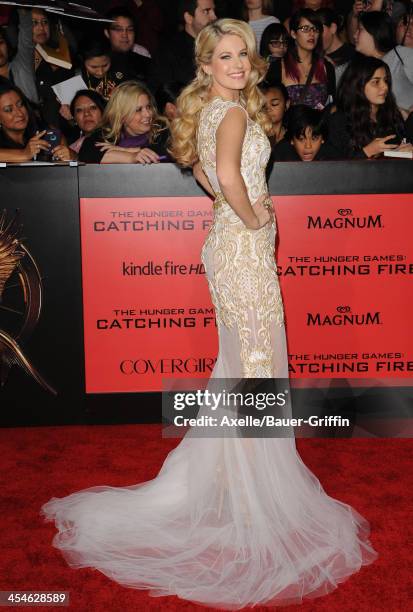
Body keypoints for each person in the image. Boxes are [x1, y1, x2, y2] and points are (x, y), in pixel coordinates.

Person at [41, 18, 378, 609]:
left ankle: (233, 483)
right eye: (226, 56)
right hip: (241, 251)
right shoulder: (236, 115)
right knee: (255, 366)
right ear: (205, 65)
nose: (240, 65)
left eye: (244, 55)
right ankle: (251, 501)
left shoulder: (216, 113)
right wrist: (252, 218)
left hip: (230, 247)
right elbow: (223, 174)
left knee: (244, 364)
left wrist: (234, 211)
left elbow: (204, 173)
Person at [327, 54, 410, 158]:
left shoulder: (392, 115)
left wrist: (403, 152)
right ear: (358, 85)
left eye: (386, 80)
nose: (385, 87)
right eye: (376, 82)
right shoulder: (340, 120)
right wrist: (367, 151)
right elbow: (335, 167)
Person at [78, 80, 169, 163]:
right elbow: (86, 154)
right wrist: (131, 157)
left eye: (148, 107)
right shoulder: (109, 134)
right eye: (138, 110)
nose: (148, 114)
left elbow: (171, 152)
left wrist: (123, 150)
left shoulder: (161, 128)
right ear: (121, 115)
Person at [267, 9, 336, 109]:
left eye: (315, 29)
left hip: (320, 124)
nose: (311, 33)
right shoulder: (277, 67)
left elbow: (333, 106)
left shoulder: (326, 67)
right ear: (293, 34)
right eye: (305, 29)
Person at [148, 0, 217, 91]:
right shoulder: (169, 51)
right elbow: (165, 92)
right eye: (206, 11)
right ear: (188, 17)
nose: (214, 17)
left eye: (213, 11)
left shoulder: (221, 44)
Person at [0, 79, 73, 161]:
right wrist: (24, 154)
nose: (19, 113)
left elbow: (72, 159)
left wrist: (70, 155)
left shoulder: (45, 131)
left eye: (20, 105)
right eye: (8, 110)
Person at [355, 10, 413, 113]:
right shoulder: (363, 68)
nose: (355, 35)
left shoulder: (402, 55)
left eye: (360, 29)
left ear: (374, 31)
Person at [271, 103, 336, 160]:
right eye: (301, 139)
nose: (308, 146)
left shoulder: (333, 159)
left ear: (323, 139)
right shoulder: (280, 155)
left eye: (314, 139)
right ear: (292, 140)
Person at [103, 7, 151, 81]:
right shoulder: (97, 63)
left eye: (130, 30)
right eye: (118, 29)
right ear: (107, 33)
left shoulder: (146, 64)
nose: (125, 35)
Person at [316, 7, 356, 84]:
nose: (315, 36)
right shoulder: (314, 55)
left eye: (319, 30)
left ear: (333, 28)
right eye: (314, 30)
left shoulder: (352, 55)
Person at [67, 90, 106, 154]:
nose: (86, 113)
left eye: (93, 108)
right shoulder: (71, 140)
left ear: (103, 112)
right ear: (74, 117)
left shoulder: (114, 139)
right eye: (79, 110)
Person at [259, 80, 289, 146]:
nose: (268, 109)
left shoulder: (293, 136)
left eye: (274, 104)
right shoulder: (255, 136)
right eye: (263, 106)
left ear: (287, 104)